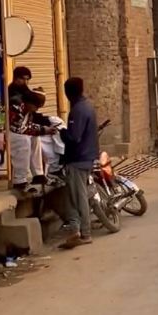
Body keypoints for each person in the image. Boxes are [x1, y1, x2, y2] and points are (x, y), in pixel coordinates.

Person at [61, 77, 100, 248]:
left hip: (78, 159)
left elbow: (74, 137)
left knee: (79, 197)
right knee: (77, 196)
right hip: (87, 157)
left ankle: (85, 233)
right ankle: (76, 231)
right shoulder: (88, 106)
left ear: (68, 92)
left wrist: (62, 132)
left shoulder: (77, 110)